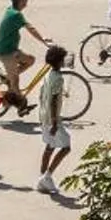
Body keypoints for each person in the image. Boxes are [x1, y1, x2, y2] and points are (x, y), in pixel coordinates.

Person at [0, 0, 52, 110]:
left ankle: (8, 77)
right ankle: (21, 107)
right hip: (5, 52)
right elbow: (30, 28)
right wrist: (43, 41)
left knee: (30, 60)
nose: (26, 0)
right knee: (15, 82)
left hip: (12, 50)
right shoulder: (16, 14)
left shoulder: (11, 10)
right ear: (19, 1)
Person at [36, 45, 74, 198]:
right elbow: (53, 100)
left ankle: (42, 178)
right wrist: (54, 122)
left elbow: (42, 95)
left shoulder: (48, 75)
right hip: (52, 119)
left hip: (43, 116)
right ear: (59, 61)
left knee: (50, 146)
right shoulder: (58, 78)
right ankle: (47, 177)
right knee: (66, 146)